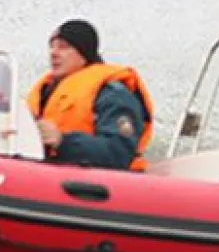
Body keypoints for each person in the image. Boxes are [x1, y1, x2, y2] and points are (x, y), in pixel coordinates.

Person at [25, 20, 154, 171]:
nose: (53, 53)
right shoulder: (44, 93)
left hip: (98, 185)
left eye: (63, 47)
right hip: (45, 174)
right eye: (51, 47)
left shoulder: (113, 94)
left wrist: (62, 141)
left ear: (84, 52)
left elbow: (119, 153)